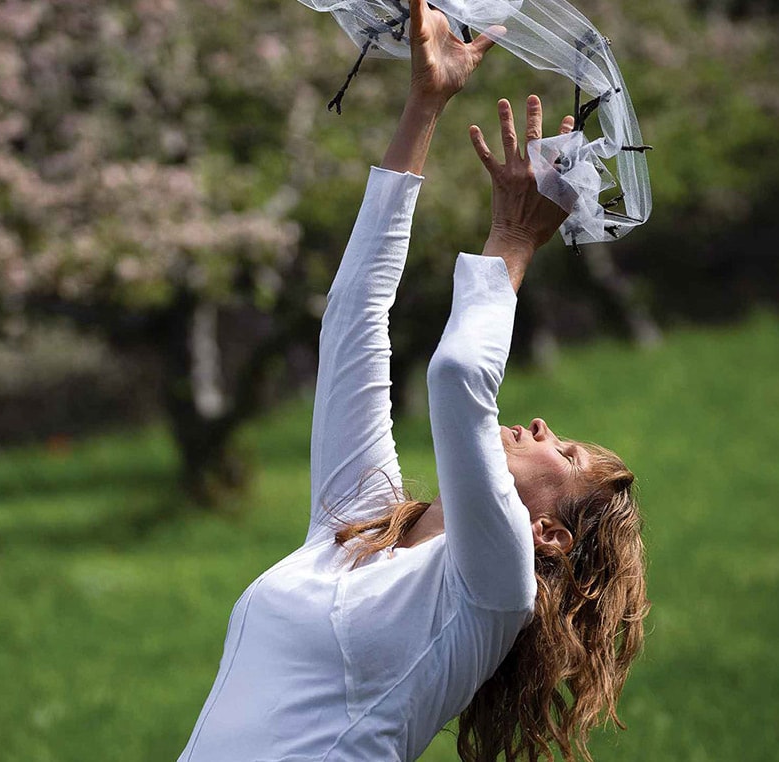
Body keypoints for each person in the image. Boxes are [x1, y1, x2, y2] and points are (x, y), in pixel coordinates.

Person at [179, 1, 649, 760]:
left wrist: (514, 238)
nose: (539, 427)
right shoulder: (358, 529)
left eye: (561, 456)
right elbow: (352, 319)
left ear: (550, 534)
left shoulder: (494, 590)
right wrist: (424, 104)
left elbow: (461, 375)